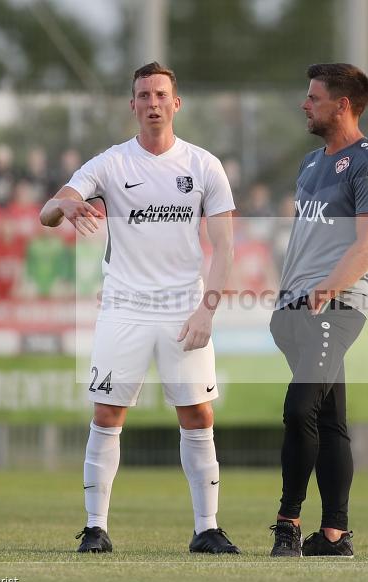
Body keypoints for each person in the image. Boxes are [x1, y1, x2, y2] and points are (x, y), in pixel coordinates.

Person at [40, 62, 239, 555]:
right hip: (124, 305)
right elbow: (48, 210)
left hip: (182, 307)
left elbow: (225, 248)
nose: (153, 102)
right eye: (144, 94)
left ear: (176, 103)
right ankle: (94, 527)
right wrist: (64, 207)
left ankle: (206, 528)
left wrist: (206, 311)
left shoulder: (203, 166)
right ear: (132, 104)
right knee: (107, 412)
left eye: (161, 94)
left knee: (197, 415)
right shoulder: (110, 163)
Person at [268, 63, 368, 558]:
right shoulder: (309, 163)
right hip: (294, 308)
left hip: (336, 305)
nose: (305, 103)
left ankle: (287, 525)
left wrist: (325, 288)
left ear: (342, 105)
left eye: (313, 97)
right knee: (330, 419)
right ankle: (335, 536)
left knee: (300, 409)